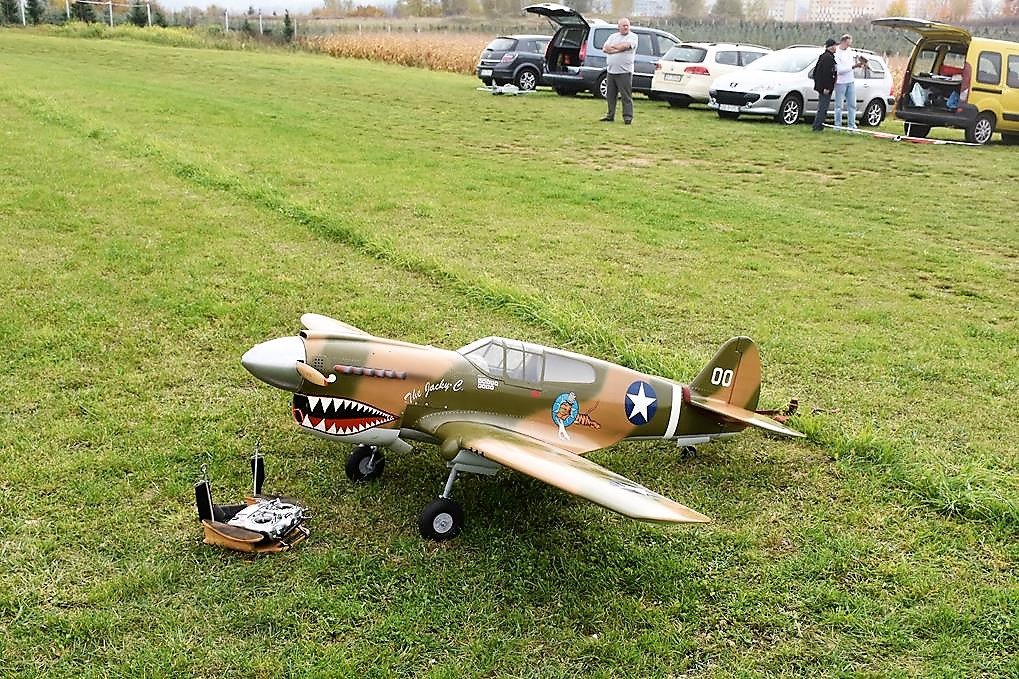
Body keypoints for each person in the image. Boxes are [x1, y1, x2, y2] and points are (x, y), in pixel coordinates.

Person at [600, 18, 639, 125]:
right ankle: (610, 115)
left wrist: (613, 48)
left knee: (626, 96)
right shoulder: (613, 37)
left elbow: (625, 46)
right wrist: (618, 49)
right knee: (610, 95)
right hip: (611, 71)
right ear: (619, 27)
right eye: (623, 25)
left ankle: (627, 117)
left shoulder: (633, 37)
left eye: (627, 25)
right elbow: (605, 48)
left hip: (624, 72)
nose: (626, 27)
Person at [834, 34, 867, 130]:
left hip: (850, 81)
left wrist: (860, 64)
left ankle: (851, 125)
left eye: (850, 44)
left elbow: (853, 62)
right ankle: (837, 126)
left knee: (852, 105)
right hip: (840, 82)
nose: (848, 46)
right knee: (839, 105)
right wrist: (853, 66)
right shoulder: (837, 53)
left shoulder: (849, 51)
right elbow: (839, 70)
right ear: (843, 42)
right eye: (847, 44)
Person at [811, 39, 838, 132]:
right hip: (825, 88)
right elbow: (826, 74)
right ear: (831, 47)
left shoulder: (824, 56)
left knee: (822, 107)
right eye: (835, 46)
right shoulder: (828, 58)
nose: (836, 48)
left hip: (822, 86)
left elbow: (815, 72)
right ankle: (818, 126)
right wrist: (826, 87)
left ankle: (818, 125)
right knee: (823, 108)